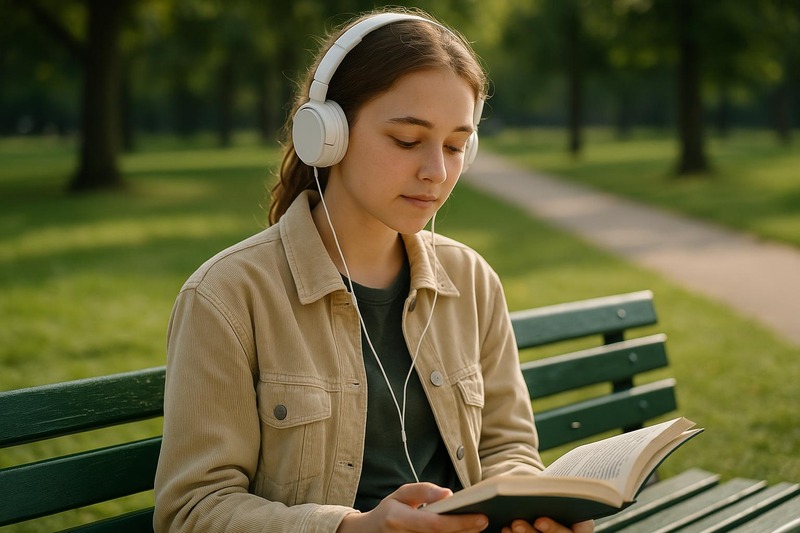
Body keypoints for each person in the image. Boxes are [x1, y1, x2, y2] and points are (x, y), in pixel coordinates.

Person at [154, 7, 594, 533]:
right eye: (407, 140)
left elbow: (507, 447)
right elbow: (193, 509)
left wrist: (530, 508)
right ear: (328, 134)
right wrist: (352, 528)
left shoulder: (472, 280)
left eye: (456, 146)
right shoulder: (228, 295)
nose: (437, 172)